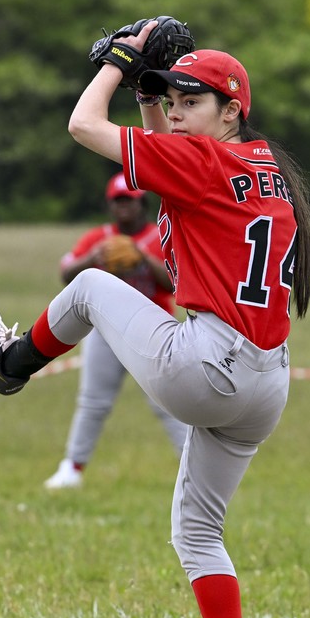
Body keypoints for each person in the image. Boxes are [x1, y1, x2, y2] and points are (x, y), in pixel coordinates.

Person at [0, 25, 310, 618]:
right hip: (265, 382)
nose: (180, 108)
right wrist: (148, 89)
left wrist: (114, 65)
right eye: (175, 97)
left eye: (195, 99)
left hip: (209, 365)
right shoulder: (262, 168)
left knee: (92, 290)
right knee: (196, 531)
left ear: (232, 111)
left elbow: (81, 125)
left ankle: (11, 364)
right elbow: (158, 157)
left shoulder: (203, 162)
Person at [43, 172, 189, 490]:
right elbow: (66, 274)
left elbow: (175, 283)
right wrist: (93, 259)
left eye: (130, 203)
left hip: (153, 330)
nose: (124, 209)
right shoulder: (100, 238)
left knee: (169, 402)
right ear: (110, 205)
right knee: (93, 401)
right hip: (104, 330)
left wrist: (143, 258)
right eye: (118, 202)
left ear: (142, 204)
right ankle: (72, 468)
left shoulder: (159, 235)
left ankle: (192, 467)